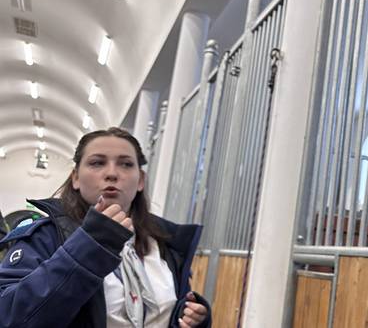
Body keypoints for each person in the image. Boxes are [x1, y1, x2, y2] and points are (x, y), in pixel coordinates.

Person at [0, 127, 212, 327]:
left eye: (126, 164)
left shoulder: (165, 244)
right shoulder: (46, 236)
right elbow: (9, 316)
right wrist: (88, 247)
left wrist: (190, 318)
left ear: (141, 180)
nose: (112, 173)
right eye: (97, 163)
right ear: (75, 177)